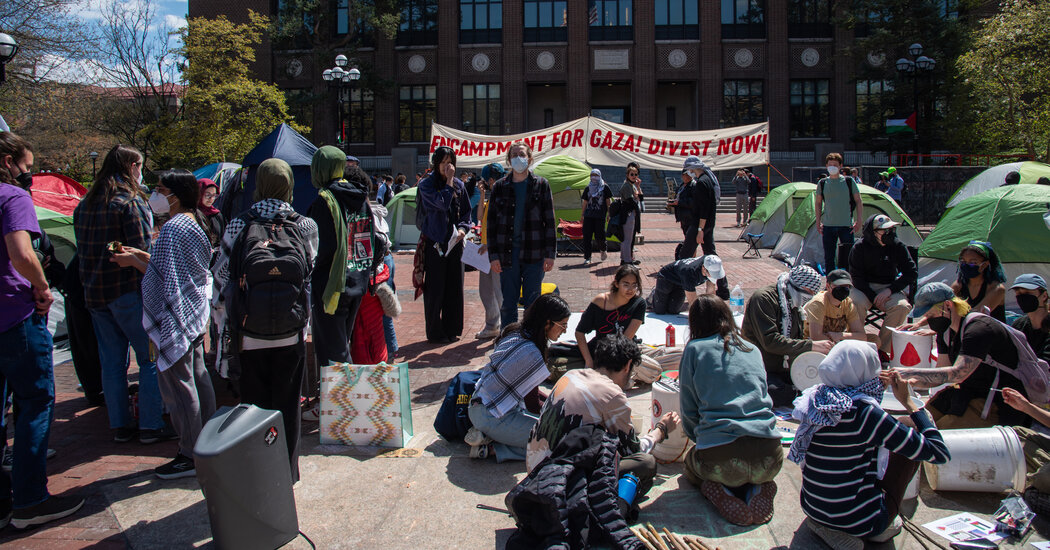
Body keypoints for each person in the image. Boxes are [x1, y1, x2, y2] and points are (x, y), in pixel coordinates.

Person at [212, 158, 318, 482]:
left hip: (249, 333)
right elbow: (309, 275)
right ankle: (287, 473)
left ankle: (257, 473)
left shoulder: (239, 225)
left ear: (259, 184)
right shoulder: (305, 225)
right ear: (288, 184)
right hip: (291, 333)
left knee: (253, 406)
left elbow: (220, 278)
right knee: (288, 405)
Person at [0, 132, 85, 528]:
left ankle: (3, 501)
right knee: (34, 403)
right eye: (26, 167)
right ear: (7, 161)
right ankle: (30, 500)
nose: (27, 176)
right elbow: (21, 252)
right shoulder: (12, 198)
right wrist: (42, 286)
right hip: (16, 314)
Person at [112, 169, 216, 479]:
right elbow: (173, 267)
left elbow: (166, 278)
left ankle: (190, 452)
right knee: (198, 378)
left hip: (177, 316)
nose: (155, 194)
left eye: (160, 189)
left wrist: (134, 262)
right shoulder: (195, 220)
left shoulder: (174, 228)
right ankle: (208, 441)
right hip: (194, 312)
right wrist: (141, 255)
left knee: (180, 387)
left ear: (175, 193)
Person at [795, 342, 949, 550]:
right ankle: (875, 530)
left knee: (884, 437)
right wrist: (908, 403)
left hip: (813, 508)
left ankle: (828, 526)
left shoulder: (815, 399)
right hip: (856, 520)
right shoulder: (865, 414)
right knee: (913, 429)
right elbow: (938, 453)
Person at [73, 144, 169, 444]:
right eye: (140, 165)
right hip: (129, 293)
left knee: (112, 363)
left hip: (95, 294)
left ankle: (121, 425)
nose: (142, 172)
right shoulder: (129, 202)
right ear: (131, 167)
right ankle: (151, 426)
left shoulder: (85, 204)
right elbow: (144, 253)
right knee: (149, 360)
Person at [527, 335, 680, 497]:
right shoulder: (612, 394)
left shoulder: (571, 375)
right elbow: (633, 452)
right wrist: (660, 430)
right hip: (559, 482)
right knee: (645, 464)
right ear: (628, 366)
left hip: (535, 470)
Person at [679, 296, 782, 525]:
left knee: (692, 466)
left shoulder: (695, 349)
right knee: (750, 467)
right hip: (770, 456)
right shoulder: (752, 348)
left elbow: (688, 406)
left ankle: (718, 488)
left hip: (720, 460)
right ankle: (758, 486)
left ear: (695, 323)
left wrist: (700, 438)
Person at [893, 282, 1035, 429]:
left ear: (947, 305)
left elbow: (958, 373)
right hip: (967, 394)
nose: (928, 320)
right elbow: (941, 371)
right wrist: (909, 381)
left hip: (998, 402)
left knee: (937, 435)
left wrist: (908, 372)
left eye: (930, 314)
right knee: (911, 425)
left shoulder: (978, 329)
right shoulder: (946, 331)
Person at [466, 294, 571, 462]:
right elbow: (533, 404)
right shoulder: (530, 353)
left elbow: (533, 395)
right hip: (491, 416)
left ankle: (492, 437)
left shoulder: (516, 331)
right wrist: (564, 416)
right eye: (563, 325)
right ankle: (493, 448)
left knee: (558, 429)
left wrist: (557, 405)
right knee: (559, 443)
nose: (565, 330)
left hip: (486, 407)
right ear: (547, 323)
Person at [307, 147, 379, 368]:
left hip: (331, 285)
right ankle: (342, 398)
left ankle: (342, 399)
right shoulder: (359, 196)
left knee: (333, 357)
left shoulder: (325, 200)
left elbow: (320, 249)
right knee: (341, 345)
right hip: (358, 280)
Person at [740, 266, 834, 407]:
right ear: (799, 286)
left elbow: (796, 338)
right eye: (809, 292)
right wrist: (811, 345)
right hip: (761, 367)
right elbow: (770, 341)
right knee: (777, 393)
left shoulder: (793, 301)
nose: (810, 297)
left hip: (785, 367)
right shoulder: (763, 299)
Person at [486, 141, 556, 328]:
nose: (519, 158)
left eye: (522, 154)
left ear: (530, 158)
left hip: (535, 253)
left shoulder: (541, 185)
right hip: (507, 255)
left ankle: (533, 342)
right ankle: (508, 343)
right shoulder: (499, 187)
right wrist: (493, 256)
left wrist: (550, 254)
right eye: (514, 155)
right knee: (508, 304)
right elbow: (490, 225)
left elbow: (549, 222)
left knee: (533, 303)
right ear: (509, 160)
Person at [416, 146, 472, 343]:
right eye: (443, 162)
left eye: (451, 162)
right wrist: (448, 181)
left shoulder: (460, 185)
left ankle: (452, 329)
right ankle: (434, 331)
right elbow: (441, 203)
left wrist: (464, 228)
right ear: (435, 164)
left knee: (454, 287)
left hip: (455, 243)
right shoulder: (426, 185)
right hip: (435, 243)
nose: (448, 167)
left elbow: (466, 213)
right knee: (435, 289)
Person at [848, 214, 916, 352]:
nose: (888, 233)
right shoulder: (859, 248)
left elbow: (911, 272)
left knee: (902, 307)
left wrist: (890, 290)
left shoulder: (897, 246)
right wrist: (873, 297)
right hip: (863, 288)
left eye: (891, 229)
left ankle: (883, 350)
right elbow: (856, 278)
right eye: (884, 230)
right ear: (872, 233)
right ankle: (856, 346)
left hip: (888, 287)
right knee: (855, 304)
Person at [574, 264, 646, 368]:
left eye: (634, 285)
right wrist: (588, 361)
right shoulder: (600, 301)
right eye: (626, 284)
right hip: (601, 352)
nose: (630, 289)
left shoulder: (639, 303)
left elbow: (626, 339)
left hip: (626, 351)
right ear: (616, 284)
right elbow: (580, 332)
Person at [814, 152, 863, 271]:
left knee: (848, 258)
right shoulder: (822, 183)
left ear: (841, 166)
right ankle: (830, 284)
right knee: (829, 258)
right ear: (826, 166)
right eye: (830, 165)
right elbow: (818, 203)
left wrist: (859, 220)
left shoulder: (849, 181)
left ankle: (846, 283)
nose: (832, 167)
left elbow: (858, 201)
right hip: (828, 226)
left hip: (846, 225)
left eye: (835, 165)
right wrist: (818, 221)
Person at [475, 162, 505, 340]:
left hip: (497, 252)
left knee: (499, 291)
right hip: (484, 251)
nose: (483, 182)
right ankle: (492, 325)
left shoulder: (504, 198)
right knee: (485, 290)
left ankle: (504, 326)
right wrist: (482, 194)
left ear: (491, 180)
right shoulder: (491, 198)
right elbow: (479, 217)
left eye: (484, 180)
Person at [649, 254, 728, 314]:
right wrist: (701, 317)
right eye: (711, 274)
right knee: (660, 311)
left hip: (681, 282)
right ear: (703, 268)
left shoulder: (712, 263)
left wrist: (711, 310)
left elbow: (710, 291)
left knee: (673, 311)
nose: (713, 276)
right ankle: (653, 295)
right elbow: (693, 302)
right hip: (666, 277)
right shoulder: (690, 273)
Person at [803, 269, 866, 344]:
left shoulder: (848, 303)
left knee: (874, 340)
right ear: (828, 286)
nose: (843, 290)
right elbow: (816, 337)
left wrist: (840, 335)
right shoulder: (818, 303)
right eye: (839, 286)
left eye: (846, 286)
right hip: (813, 345)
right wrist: (841, 343)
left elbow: (862, 336)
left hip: (835, 341)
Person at [952, 240, 1007, 322]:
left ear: (984, 265)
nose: (966, 265)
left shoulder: (997, 289)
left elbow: (975, 315)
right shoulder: (958, 286)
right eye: (963, 261)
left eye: (973, 262)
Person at [1011, 274, 1050, 362]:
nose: (1023, 298)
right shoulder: (1018, 325)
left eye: (1027, 293)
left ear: (1044, 296)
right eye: (1019, 293)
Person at [684, 156, 718, 257]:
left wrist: (700, 230)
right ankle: (717, 271)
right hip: (709, 223)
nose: (689, 171)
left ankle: (684, 272)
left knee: (685, 253)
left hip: (699, 224)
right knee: (709, 252)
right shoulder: (707, 180)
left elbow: (704, 208)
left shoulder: (701, 183)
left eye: (689, 168)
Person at [580, 168, 612, 265]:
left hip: (600, 216)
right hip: (589, 216)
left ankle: (603, 249)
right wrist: (582, 215)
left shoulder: (605, 187)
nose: (594, 177)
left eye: (596, 175)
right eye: (592, 175)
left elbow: (608, 201)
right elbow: (585, 202)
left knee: (600, 236)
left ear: (600, 176)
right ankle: (587, 257)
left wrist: (609, 213)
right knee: (587, 236)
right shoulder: (587, 188)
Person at [619, 164, 643, 265]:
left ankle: (626, 259)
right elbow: (630, 201)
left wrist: (638, 187)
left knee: (629, 238)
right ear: (627, 175)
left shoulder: (632, 186)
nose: (634, 176)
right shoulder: (627, 186)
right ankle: (627, 260)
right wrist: (635, 199)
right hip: (628, 214)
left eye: (636, 174)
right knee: (627, 239)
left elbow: (641, 198)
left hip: (631, 214)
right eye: (632, 174)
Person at [197, 178, 224, 253]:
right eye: (207, 195)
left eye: (214, 195)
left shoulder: (217, 215)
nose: (211, 199)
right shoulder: (192, 214)